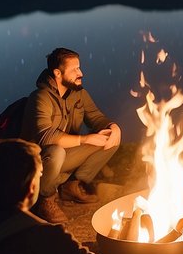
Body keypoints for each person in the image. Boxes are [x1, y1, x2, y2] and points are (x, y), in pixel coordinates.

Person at [20, 47, 123, 224]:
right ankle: (45, 199)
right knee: (57, 152)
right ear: (57, 73)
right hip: (37, 163)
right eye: (74, 69)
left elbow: (96, 117)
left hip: (63, 156)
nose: (80, 73)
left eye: (80, 67)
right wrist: (84, 139)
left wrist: (113, 127)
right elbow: (45, 137)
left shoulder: (78, 94)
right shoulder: (40, 97)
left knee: (110, 139)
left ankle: (72, 186)